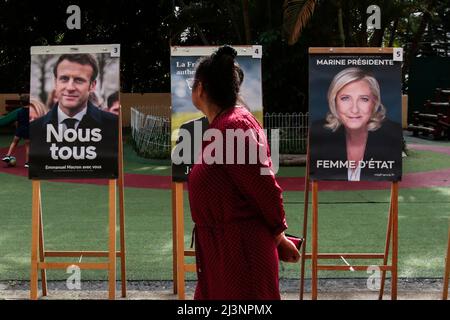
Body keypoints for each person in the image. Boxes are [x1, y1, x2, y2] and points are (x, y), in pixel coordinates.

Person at [187, 45, 300, 300]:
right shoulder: (223, 126)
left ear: (201, 88)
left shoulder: (235, 126)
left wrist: (279, 235)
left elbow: (264, 188)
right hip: (222, 252)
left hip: (240, 254)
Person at [29, 53, 119, 179]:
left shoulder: (113, 124)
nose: (70, 88)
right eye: (64, 78)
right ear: (56, 82)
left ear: (92, 85)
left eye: (79, 80)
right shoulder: (35, 128)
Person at [310, 67, 402, 181]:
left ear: (375, 102)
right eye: (345, 98)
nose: (354, 109)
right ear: (334, 101)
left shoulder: (392, 135)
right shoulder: (319, 133)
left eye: (364, 99)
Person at [2, 94, 31, 167]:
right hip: (28, 130)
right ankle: (27, 163)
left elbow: (17, 122)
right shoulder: (31, 111)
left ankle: (8, 155)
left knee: (14, 142)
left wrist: (17, 129)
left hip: (20, 129)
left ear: (21, 103)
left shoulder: (19, 111)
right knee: (27, 146)